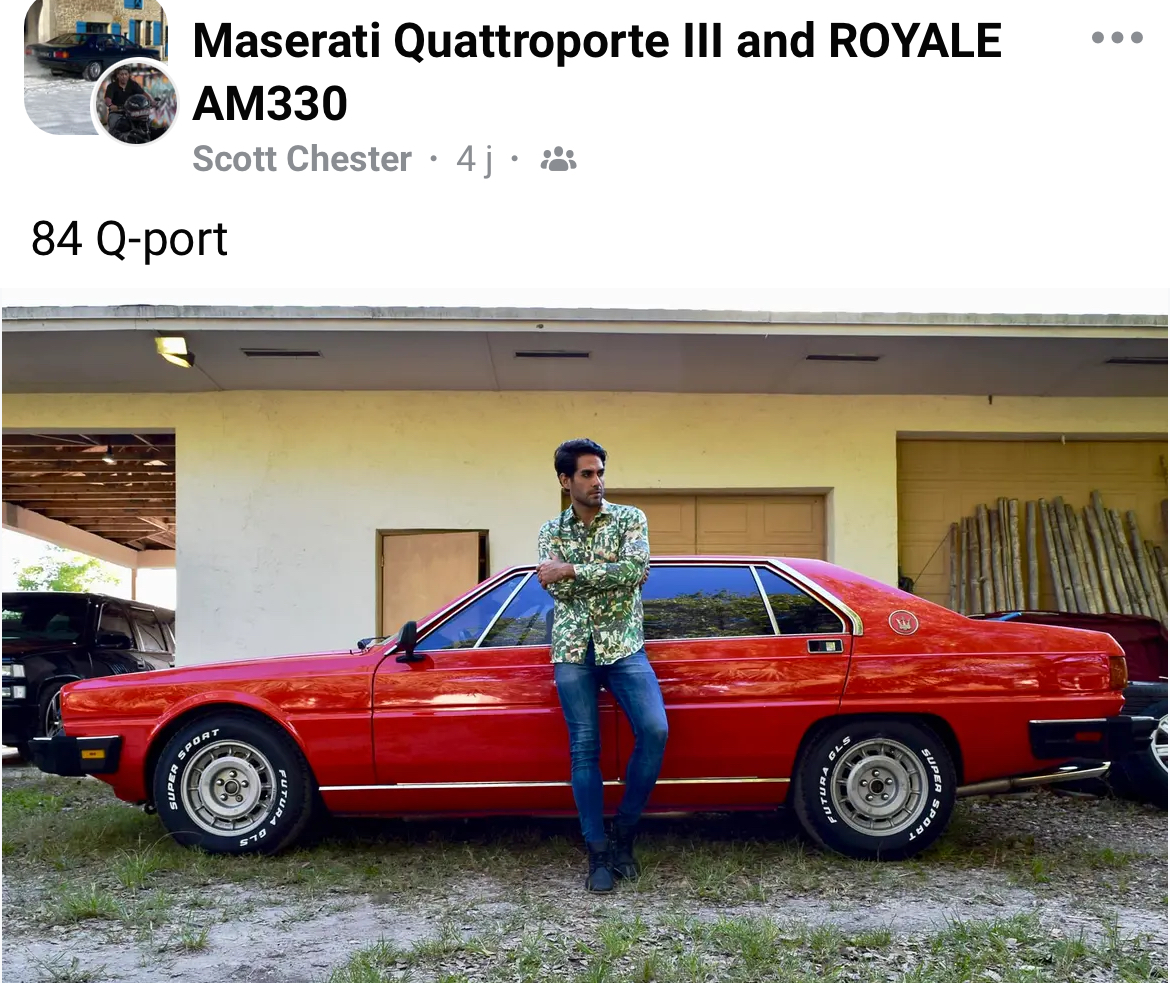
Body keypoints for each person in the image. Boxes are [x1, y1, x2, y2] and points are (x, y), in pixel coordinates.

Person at [536, 438, 668, 892]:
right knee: (584, 748)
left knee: (655, 730)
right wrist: (613, 573)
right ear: (565, 480)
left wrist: (573, 569)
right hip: (574, 650)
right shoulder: (550, 530)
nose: (597, 481)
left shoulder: (631, 518)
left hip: (625, 647)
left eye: (600, 473)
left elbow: (634, 570)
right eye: (587, 474)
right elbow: (556, 588)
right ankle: (596, 852)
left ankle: (624, 835)